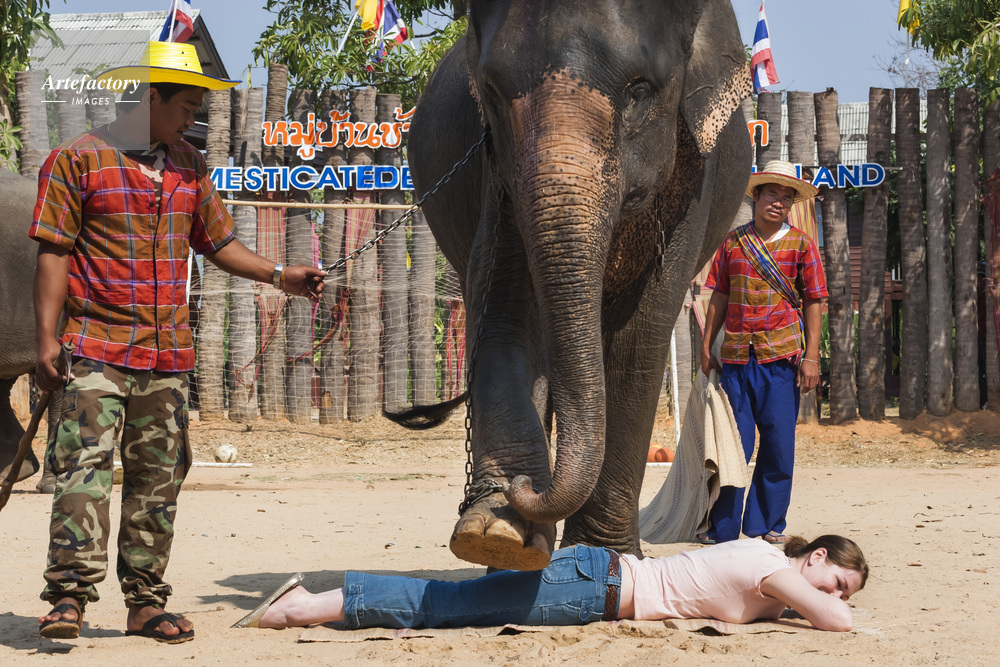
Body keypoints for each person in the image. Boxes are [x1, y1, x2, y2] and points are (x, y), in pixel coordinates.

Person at [32, 41, 326, 643]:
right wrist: (45, 340)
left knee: (158, 481)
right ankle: (68, 598)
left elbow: (218, 243)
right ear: (150, 98)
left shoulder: (189, 166)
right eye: (187, 107)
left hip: (167, 357)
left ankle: (145, 604)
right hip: (96, 347)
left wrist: (281, 275)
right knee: (83, 473)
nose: (193, 119)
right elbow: (54, 253)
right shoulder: (77, 160)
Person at [232, 535, 867, 633]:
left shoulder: (769, 570)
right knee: (448, 605)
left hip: (594, 581)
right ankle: (304, 606)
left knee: (458, 603)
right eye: (838, 581)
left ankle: (313, 604)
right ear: (814, 557)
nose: (835, 596)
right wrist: (829, 608)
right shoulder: (770, 568)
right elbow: (834, 622)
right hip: (591, 587)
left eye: (844, 592)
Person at [698, 160, 827, 546]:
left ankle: (766, 526)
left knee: (778, 445)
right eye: (772, 193)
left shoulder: (802, 244)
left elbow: (815, 300)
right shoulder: (732, 242)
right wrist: (706, 346)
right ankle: (722, 530)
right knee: (732, 446)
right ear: (756, 195)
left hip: (781, 360)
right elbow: (719, 295)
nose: (779, 202)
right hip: (737, 359)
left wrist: (812, 357)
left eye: (787, 198)